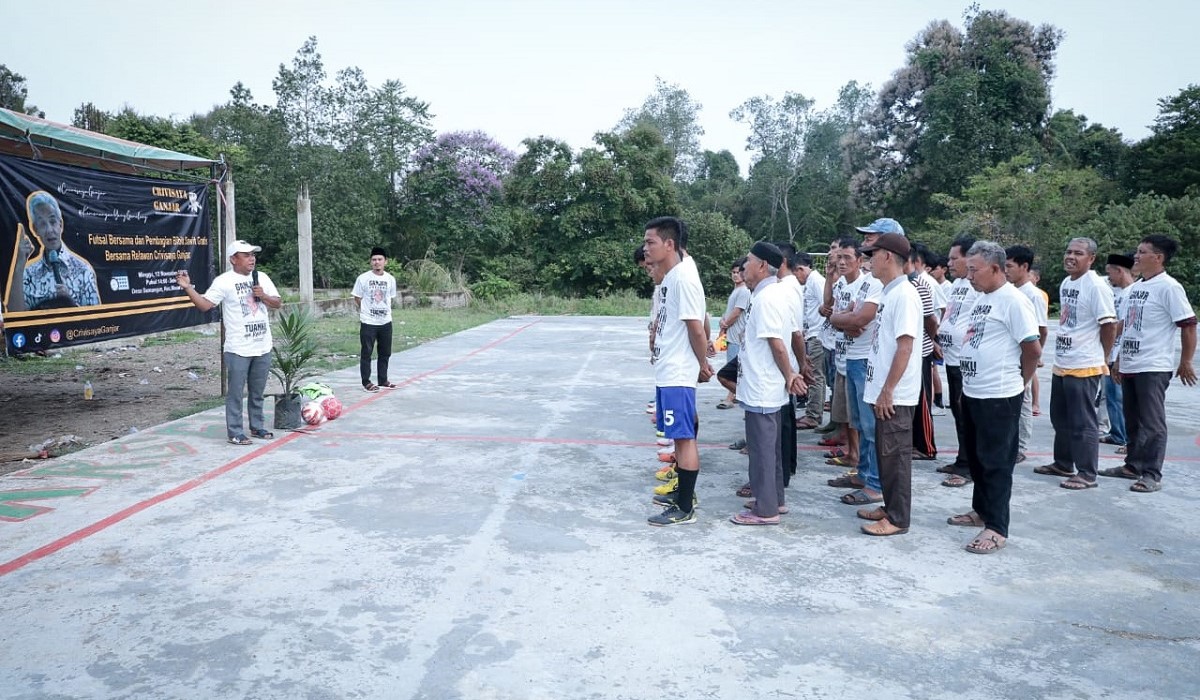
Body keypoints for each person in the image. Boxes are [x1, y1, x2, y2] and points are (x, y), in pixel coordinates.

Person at [949, 241, 1040, 554]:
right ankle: (981, 511)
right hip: (974, 391)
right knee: (977, 459)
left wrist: (1022, 382)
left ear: (997, 269)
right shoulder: (982, 298)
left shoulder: (1013, 301)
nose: (970, 275)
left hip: (999, 395)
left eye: (975, 270)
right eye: (969, 269)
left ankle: (997, 527)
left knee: (997, 464)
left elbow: (1032, 349)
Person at [1101, 235, 1197, 492]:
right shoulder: (1135, 288)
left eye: (1142, 252)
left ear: (1158, 258)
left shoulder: (1169, 287)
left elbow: (1188, 325)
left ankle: (1152, 473)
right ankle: (1132, 465)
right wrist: (1119, 359)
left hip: (1153, 366)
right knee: (1131, 418)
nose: (1136, 255)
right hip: (1131, 363)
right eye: (1137, 250)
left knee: (1152, 422)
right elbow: (1129, 327)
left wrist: (1185, 360)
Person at [176, 240, 283, 445]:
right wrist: (188, 288)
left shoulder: (261, 277)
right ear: (233, 259)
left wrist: (264, 295)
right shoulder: (223, 281)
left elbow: (277, 303)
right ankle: (235, 431)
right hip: (238, 348)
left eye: (253, 254)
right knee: (235, 393)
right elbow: (205, 305)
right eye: (246, 255)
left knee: (258, 391)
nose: (252, 258)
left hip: (262, 345)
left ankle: (257, 426)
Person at [1032, 238, 1117, 489]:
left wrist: (1104, 356)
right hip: (1063, 361)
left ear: (1091, 259)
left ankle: (1087, 473)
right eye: (1068, 251)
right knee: (1060, 418)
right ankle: (1063, 462)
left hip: (1085, 363)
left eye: (1078, 253)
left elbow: (1109, 324)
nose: (1070, 257)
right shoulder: (1067, 282)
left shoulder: (1096, 286)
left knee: (1083, 422)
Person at [643, 217, 713, 526]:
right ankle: (683, 494)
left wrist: (701, 364)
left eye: (650, 242)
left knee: (683, 439)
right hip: (668, 370)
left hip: (678, 373)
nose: (645, 249)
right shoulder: (671, 277)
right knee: (681, 435)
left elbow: (696, 328)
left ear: (669, 244)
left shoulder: (683, 278)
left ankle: (685, 507)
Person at [732, 242, 806, 525]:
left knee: (762, 449)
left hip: (763, 385)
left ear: (763, 265)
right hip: (765, 384)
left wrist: (790, 374)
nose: (742, 268)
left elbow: (777, 343)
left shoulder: (767, 298)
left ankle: (765, 510)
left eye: (748, 262)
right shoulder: (770, 294)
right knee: (771, 448)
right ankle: (773, 498)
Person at [855, 233, 923, 536]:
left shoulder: (905, 295)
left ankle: (897, 518)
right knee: (886, 453)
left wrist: (888, 390)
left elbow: (905, 347)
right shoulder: (890, 292)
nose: (869, 261)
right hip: (883, 390)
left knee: (896, 457)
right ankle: (890, 505)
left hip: (895, 394)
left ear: (887, 257)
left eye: (873, 254)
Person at [831, 219, 893, 506]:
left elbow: (860, 319)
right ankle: (866, 475)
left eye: (871, 239)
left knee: (871, 427)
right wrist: (841, 319)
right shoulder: (862, 283)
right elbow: (839, 315)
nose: (868, 242)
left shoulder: (878, 284)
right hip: (853, 359)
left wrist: (842, 319)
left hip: (867, 359)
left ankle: (875, 484)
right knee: (860, 424)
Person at [7, 191, 100, 311]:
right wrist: (19, 265)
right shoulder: (28, 274)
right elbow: (15, 317)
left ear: (60, 224)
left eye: (52, 222)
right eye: (42, 224)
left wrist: (71, 304)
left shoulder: (83, 270)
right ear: (35, 230)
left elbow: (97, 322)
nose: (49, 230)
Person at [935, 236, 979, 488]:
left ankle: (969, 467)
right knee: (958, 413)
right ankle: (962, 459)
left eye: (954, 258)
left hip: (965, 361)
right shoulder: (956, 285)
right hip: (951, 359)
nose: (949, 263)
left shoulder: (976, 285)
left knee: (968, 415)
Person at [1004, 245, 1048, 462]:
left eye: (1010, 266)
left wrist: (1037, 357)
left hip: (1025, 355)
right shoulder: (1011, 291)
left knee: (1023, 399)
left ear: (1024, 267)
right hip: (1011, 354)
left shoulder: (1033, 294)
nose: (1006, 270)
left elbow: (1041, 329)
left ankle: (1021, 447)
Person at [1099, 252, 1135, 448]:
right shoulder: (1117, 292)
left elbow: (1121, 324)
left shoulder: (1132, 292)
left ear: (1120, 271)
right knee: (1111, 398)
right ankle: (1117, 433)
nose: (1109, 278)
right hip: (1111, 352)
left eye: (1110, 273)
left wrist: (1106, 333)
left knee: (1120, 399)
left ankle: (1127, 439)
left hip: (1120, 353)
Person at [352, 247, 399, 392]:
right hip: (368, 322)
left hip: (385, 321)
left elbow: (390, 298)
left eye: (379, 259)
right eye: (374, 260)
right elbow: (357, 298)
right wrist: (367, 311)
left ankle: (383, 379)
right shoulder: (363, 278)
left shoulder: (390, 279)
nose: (376, 262)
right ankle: (366, 382)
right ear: (370, 262)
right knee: (367, 352)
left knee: (385, 352)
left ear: (385, 261)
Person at [795, 252, 827, 430]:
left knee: (815, 375)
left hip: (818, 334)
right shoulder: (810, 282)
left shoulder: (816, 281)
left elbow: (827, 306)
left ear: (800, 269)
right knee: (812, 374)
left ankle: (814, 414)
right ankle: (812, 412)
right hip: (811, 334)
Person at [717, 259, 750, 408]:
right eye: (734, 272)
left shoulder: (743, 291)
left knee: (732, 369)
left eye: (738, 272)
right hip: (730, 334)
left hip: (737, 336)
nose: (736, 275)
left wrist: (725, 323)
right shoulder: (736, 290)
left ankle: (731, 397)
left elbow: (737, 312)